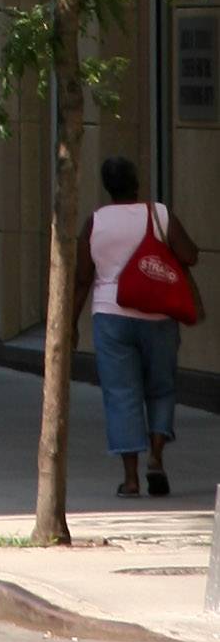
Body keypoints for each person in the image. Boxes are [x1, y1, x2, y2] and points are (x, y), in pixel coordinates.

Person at [76, 155, 199, 497]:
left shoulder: (95, 222)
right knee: (161, 387)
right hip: (158, 316)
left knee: (121, 395)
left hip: (110, 316)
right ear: (136, 182)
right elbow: (190, 255)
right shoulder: (158, 214)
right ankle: (156, 457)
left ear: (107, 186)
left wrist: (69, 325)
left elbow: (82, 278)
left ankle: (130, 479)